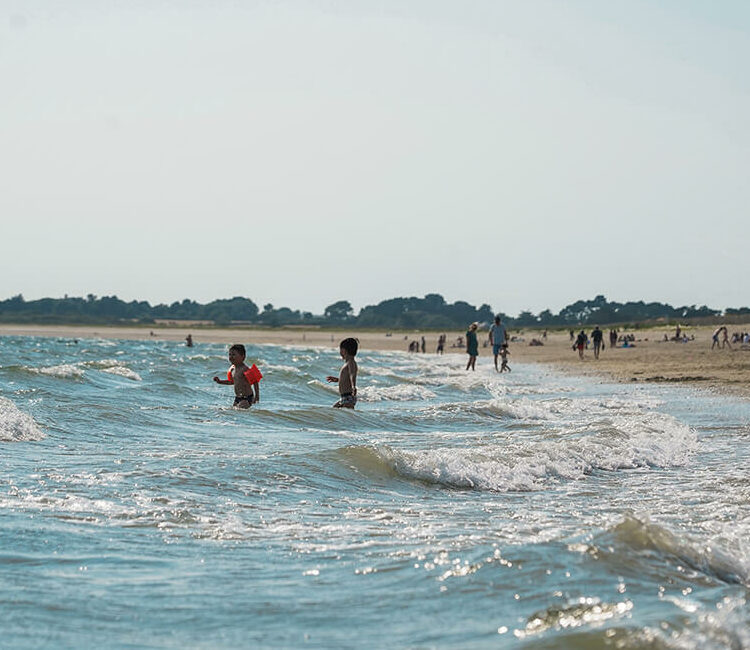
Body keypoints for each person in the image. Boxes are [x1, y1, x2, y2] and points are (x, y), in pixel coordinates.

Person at [213, 344, 260, 408]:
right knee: (233, 411)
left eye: (234, 355)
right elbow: (232, 382)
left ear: (243, 357)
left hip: (247, 398)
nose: (231, 357)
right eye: (230, 354)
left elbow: (255, 381)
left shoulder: (245, 369)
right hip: (238, 398)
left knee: (240, 410)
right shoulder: (232, 369)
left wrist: (257, 396)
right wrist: (220, 381)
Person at [326, 337, 359, 408]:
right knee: (334, 410)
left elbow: (352, 374)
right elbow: (347, 379)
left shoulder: (351, 362)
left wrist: (353, 386)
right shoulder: (348, 363)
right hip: (344, 397)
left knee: (348, 416)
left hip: (348, 397)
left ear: (343, 351)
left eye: (340, 349)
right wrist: (338, 380)